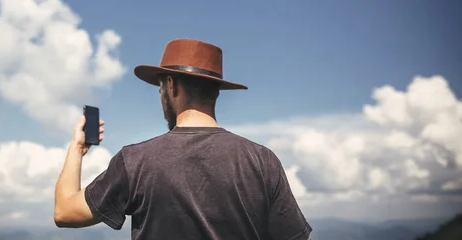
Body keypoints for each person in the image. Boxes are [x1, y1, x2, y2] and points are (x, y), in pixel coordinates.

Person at [54, 38, 312, 240]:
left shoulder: (135, 161)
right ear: (217, 93)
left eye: (160, 89)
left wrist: (77, 147)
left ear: (171, 86)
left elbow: (65, 212)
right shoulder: (262, 161)